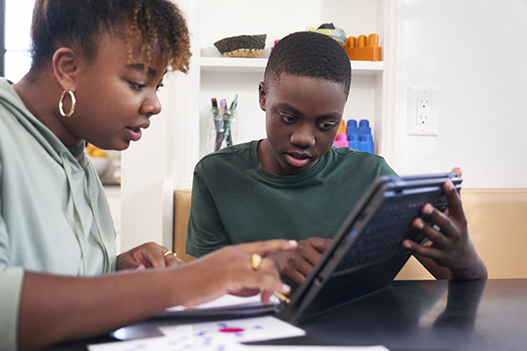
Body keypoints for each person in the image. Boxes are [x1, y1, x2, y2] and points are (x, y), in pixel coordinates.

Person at [0, 1, 297, 350]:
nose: (154, 104)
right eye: (137, 83)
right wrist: (183, 282)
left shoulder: (75, 156)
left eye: (158, 86)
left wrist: (116, 269)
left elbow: (55, 275)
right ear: (68, 68)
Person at [185, 31, 487, 286]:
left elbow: (463, 279)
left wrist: (464, 257)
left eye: (326, 125)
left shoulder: (372, 176)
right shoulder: (216, 174)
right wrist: (270, 264)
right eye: (289, 117)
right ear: (263, 96)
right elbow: (201, 283)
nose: (304, 138)